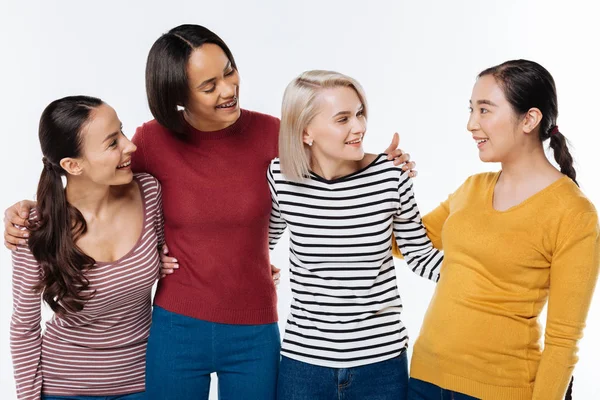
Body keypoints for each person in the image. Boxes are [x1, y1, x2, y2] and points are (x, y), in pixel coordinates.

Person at [4, 25, 416, 400]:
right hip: (176, 325)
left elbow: (337, 163)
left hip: (255, 325)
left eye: (229, 70)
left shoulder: (274, 135)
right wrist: (25, 211)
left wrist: (383, 162)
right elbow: (90, 178)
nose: (228, 88)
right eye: (209, 85)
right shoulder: (150, 142)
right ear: (179, 98)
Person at [405, 60, 600, 400]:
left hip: (499, 391)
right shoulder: (472, 188)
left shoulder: (574, 213)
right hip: (423, 379)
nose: (471, 124)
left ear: (530, 119)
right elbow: (405, 241)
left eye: (485, 110)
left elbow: (563, 341)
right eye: (471, 110)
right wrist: (384, 181)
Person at [267, 70, 443, 400]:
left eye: (360, 113)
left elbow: (420, 256)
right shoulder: (281, 177)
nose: (359, 127)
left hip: (381, 364)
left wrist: (488, 271)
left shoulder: (391, 176)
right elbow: (259, 242)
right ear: (306, 132)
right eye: (343, 118)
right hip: (303, 365)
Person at [10, 96, 164, 400]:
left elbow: (179, 251)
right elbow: (24, 328)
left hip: (144, 382)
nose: (130, 146)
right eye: (112, 143)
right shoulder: (35, 228)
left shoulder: (149, 192)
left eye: (122, 132)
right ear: (72, 165)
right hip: (64, 388)